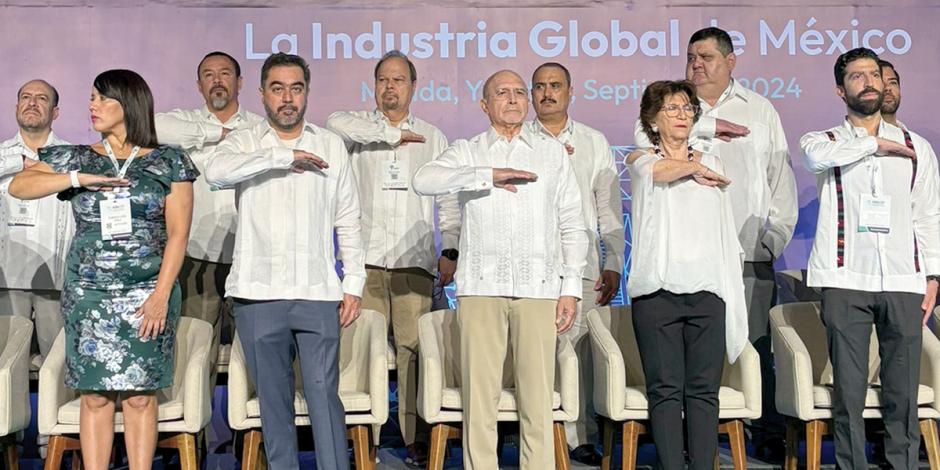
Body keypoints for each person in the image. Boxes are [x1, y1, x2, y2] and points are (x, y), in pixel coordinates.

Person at [9, 69, 197, 469]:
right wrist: (77, 179)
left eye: (101, 99)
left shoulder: (170, 162)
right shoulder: (77, 157)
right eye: (91, 98)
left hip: (149, 290)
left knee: (139, 395)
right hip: (89, 293)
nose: (92, 106)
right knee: (93, 395)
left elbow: (178, 235)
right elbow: (19, 186)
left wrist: (160, 296)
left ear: (127, 104)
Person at [413, 69, 588, 469]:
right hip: (481, 288)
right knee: (480, 402)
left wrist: (571, 287)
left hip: (539, 288)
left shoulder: (551, 151)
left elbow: (572, 223)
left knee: (538, 402)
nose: (512, 99)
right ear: (484, 103)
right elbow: (424, 179)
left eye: (518, 92)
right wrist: (486, 176)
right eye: (501, 93)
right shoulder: (469, 149)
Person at [635, 27, 797, 448]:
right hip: (682, 266)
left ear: (730, 62)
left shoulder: (759, 110)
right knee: (680, 374)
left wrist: (773, 238)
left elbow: (779, 177)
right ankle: (687, 444)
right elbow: (649, 159)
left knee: (753, 346)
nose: (696, 64)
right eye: (691, 56)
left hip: (746, 251)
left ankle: (763, 436)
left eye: (706, 56)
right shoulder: (663, 112)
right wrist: (704, 131)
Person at [204, 52, 365, 470]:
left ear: (307, 92)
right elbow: (216, 173)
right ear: (261, 94)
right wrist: (280, 157)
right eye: (277, 89)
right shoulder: (243, 141)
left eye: (296, 88)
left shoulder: (329, 143)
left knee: (323, 398)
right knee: (273, 406)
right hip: (258, 295)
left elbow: (348, 218)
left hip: (317, 293)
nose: (287, 98)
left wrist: (354, 284)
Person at [800, 47, 940, 470]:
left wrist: (933, 277)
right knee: (850, 388)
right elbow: (816, 159)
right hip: (846, 277)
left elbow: (927, 212)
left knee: (902, 391)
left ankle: (902, 463)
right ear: (840, 90)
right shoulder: (824, 141)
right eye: (857, 76)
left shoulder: (917, 146)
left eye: (875, 74)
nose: (869, 82)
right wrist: (872, 143)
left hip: (903, 278)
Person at [325, 50, 458, 464]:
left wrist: (450, 249)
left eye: (398, 80)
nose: (390, 87)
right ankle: (363, 435)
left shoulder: (434, 137)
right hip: (363, 264)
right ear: (374, 85)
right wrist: (390, 136)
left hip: (412, 261)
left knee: (412, 351)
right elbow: (331, 123)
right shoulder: (356, 131)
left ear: (413, 87)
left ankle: (414, 436)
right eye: (383, 79)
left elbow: (449, 200)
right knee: (359, 349)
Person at [627, 79, 747, 470]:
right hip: (657, 293)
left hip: (707, 291)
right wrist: (692, 168)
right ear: (653, 119)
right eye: (671, 109)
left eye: (687, 108)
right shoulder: (641, 159)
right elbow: (659, 172)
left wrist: (699, 165)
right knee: (665, 391)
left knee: (702, 392)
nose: (682, 115)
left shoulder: (714, 162)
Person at [528, 61, 624, 465]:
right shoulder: (517, 140)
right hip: (529, 268)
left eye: (555, 85)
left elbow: (607, 209)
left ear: (570, 91)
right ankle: (531, 432)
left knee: (580, 354)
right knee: (532, 353)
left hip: (580, 267)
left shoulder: (593, 141)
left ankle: (578, 436)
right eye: (539, 87)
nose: (547, 93)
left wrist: (614, 260)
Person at [155, 51, 265, 375]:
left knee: (254, 351)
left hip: (249, 253)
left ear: (240, 82)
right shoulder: (184, 124)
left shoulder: (260, 129)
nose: (217, 81)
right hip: (197, 253)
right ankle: (192, 427)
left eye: (225, 74)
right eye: (209, 75)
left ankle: (252, 426)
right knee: (196, 353)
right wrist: (218, 134)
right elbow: (150, 127)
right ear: (199, 85)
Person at [0, 79, 71, 363]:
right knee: (7, 363)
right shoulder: (4, 155)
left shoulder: (69, 156)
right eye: (26, 97)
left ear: (55, 112)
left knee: (56, 364)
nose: (32, 102)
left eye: (41, 98)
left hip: (54, 275)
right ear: (16, 106)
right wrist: (19, 162)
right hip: (7, 275)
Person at [879, 59, 904, 129]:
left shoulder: (916, 139)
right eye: (881, 83)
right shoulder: (854, 139)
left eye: (893, 83)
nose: (888, 88)